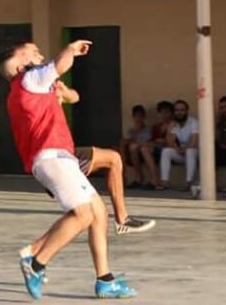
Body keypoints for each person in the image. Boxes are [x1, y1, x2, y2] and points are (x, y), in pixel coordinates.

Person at [1, 39, 137, 300]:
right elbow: (60, 63)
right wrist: (72, 49)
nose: (39, 52)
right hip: (53, 157)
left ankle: (105, 280)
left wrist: (64, 92)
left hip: (58, 158)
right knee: (83, 214)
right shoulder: (30, 79)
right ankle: (36, 262)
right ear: (22, 61)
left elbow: (72, 95)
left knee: (98, 214)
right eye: (32, 50)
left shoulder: (26, 89)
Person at [55, 83, 155, 235]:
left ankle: (122, 221)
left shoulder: (47, 86)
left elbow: (74, 96)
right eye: (36, 56)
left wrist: (61, 91)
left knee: (113, 160)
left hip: (64, 153)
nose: (40, 57)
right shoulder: (32, 90)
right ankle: (35, 254)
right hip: (54, 157)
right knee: (87, 215)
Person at [158, 100, 199, 191]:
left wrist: (184, 149)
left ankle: (189, 182)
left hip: (195, 153)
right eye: (177, 110)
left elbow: (194, 141)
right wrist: (169, 129)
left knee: (190, 151)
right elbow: (170, 143)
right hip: (182, 153)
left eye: (182, 110)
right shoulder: (174, 124)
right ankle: (165, 182)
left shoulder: (193, 122)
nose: (179, 112)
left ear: (186, 111)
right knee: (166, 151)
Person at [138, 101, 173, 187]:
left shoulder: (174, 125)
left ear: (171, 113)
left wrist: (164, 141)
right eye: (161, 112)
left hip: (170, 150)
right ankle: (153, 179)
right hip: (157, 149)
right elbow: (152, 140)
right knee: (143, 148)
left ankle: (155, 180)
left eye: (166, 112)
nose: (164, 115)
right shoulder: (156, 127)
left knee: (145, 149)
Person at [121, 104, 153, 188]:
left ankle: (139, 178)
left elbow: (146, 142)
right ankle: (123, 179)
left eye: (140, 116)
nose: (138, 118)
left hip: (144, 152)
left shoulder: (148, 129)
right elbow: (126, 141)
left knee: (134, 147)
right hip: (132, 154)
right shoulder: (131, 130)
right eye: (136, 116)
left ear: (144, 117)